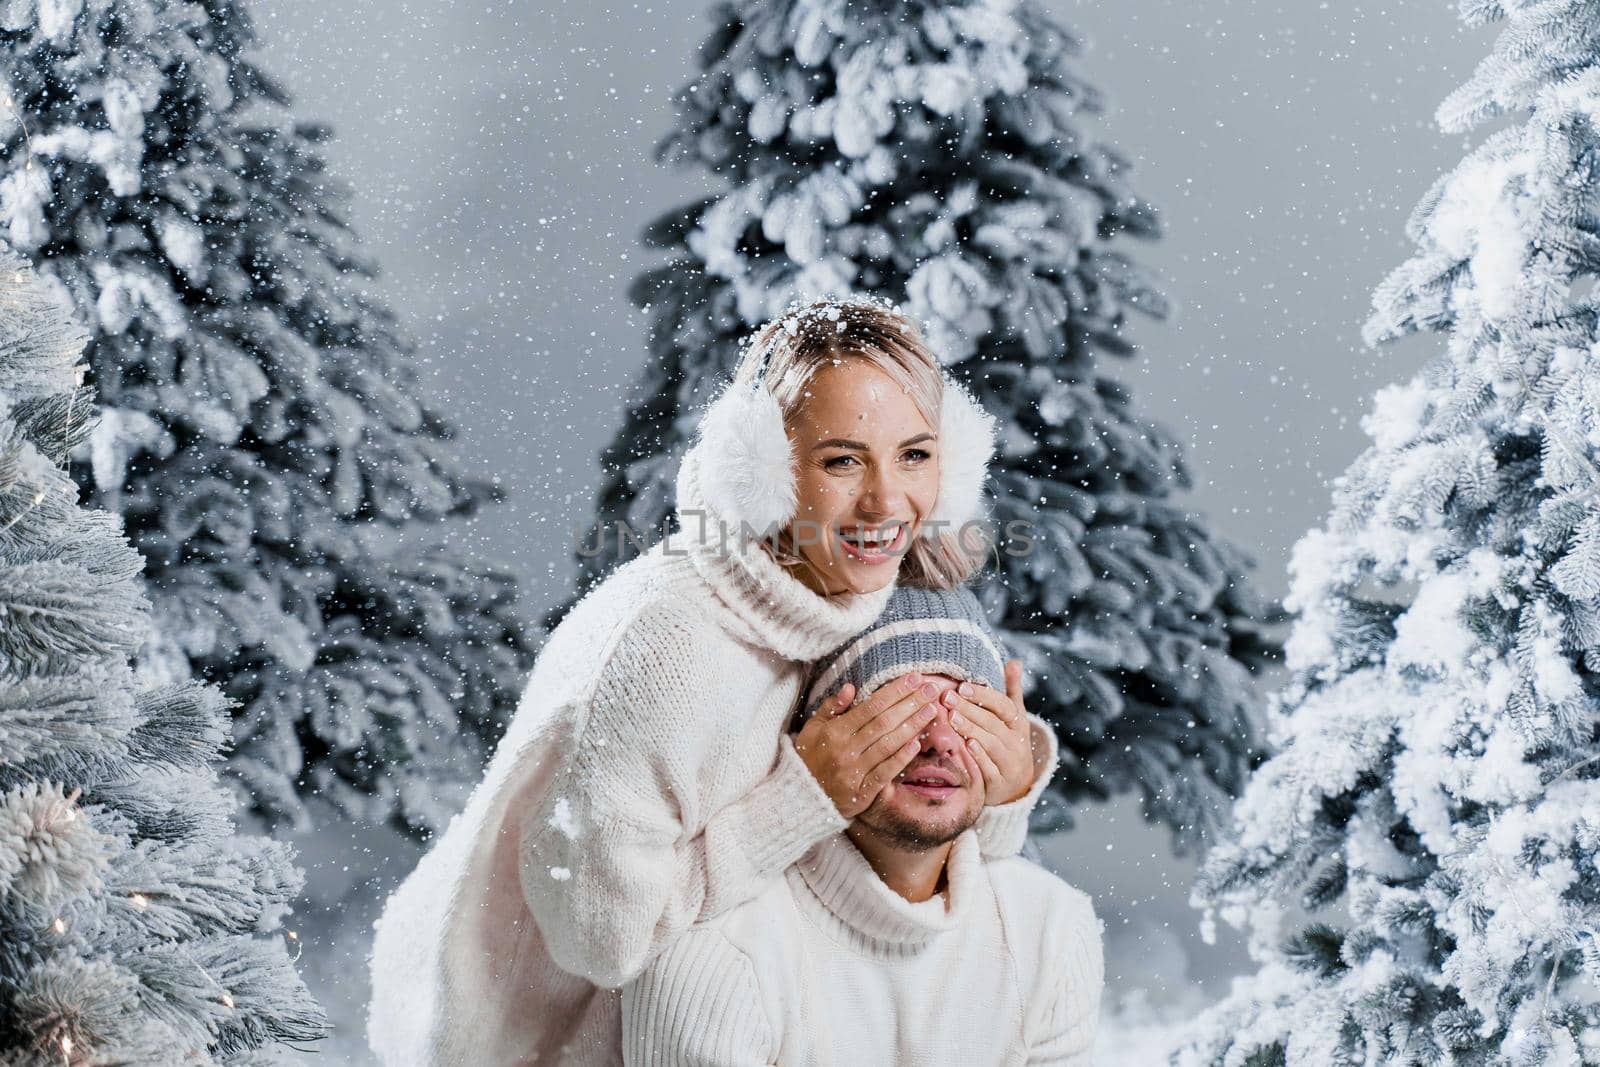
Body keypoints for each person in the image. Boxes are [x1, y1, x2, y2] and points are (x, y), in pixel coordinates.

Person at [365, 295, 1061, 1065]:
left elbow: (905, 844)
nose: (888, 501)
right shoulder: (671, 649)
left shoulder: (855, 585)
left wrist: (1004, 786)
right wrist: (804, 799)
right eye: (841, 459)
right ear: (759, 468)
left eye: (916, 454)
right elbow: (603, 936)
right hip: (527, 1045)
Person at [622, 585, 1103, 1065]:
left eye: (968, 710)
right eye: (901, 708)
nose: (940, 740)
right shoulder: (718, 953)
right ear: (825, 738)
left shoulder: (1051, 930)